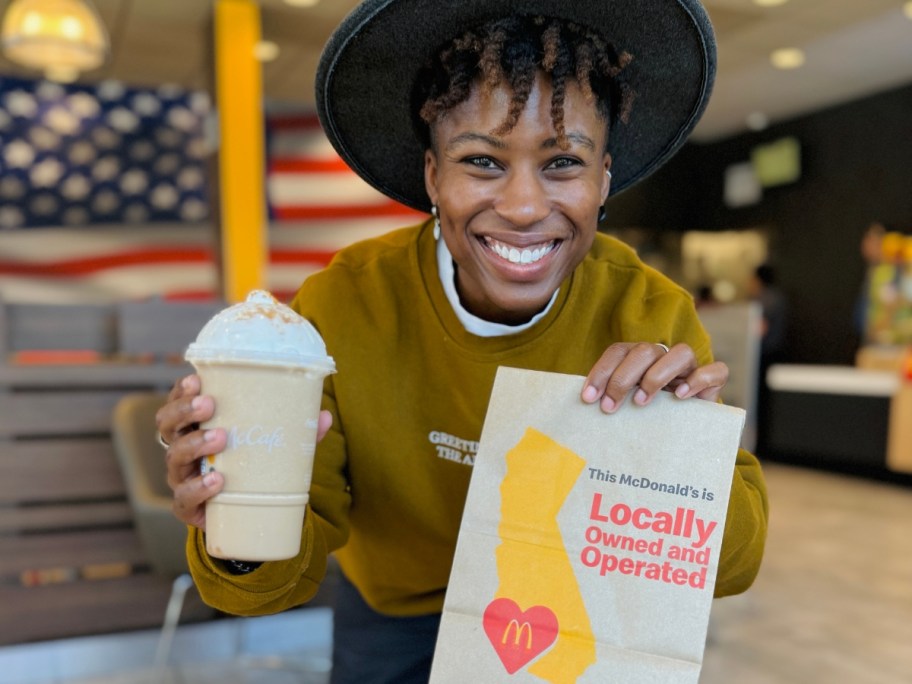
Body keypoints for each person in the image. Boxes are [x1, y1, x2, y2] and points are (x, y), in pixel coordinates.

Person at [156, 1, 769, 682]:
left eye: (563, 162)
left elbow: (733, 567)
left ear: (604, 181)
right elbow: (271, 582)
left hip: (567, 608)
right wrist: (232, 520)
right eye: (481, 161)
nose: (525, 206)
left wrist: (685, 453)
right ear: (432, 178)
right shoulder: (344, 303)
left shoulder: (647, 312)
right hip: (393, 611)